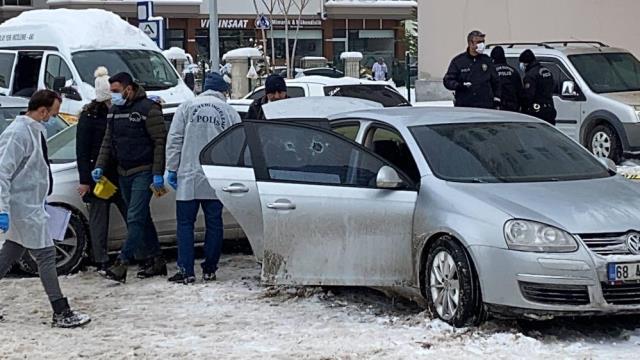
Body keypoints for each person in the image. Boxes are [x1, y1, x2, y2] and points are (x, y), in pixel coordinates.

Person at [0, 90, 90, 328]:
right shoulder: (18, 133)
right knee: (46, 256)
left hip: (29, 205)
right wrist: (2, 209)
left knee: (9, 255)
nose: (53, 118)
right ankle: (61, 310)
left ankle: (61, 310)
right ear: (42, 111)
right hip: (22, 207)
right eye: (53, 114)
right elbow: (2, 171)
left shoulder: (32, 130)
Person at [165, 73, 241, 284]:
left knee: (185, 225)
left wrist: (171, 168)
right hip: (216, 176)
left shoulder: (186, 107)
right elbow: (236, 144)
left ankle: (186, 270)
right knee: (214, 224)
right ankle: (210, 269)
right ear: (222, 90)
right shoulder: (229, 112)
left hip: (188, 175)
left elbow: (175, 140)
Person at [94, 72, 168, 283]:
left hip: (143, 171)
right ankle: (156, 260)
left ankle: (122, 263)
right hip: (123, 172)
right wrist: (100, 166)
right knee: (142, 218)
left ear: (128, 88)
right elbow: (107, 142)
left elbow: (159, 143)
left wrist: (157, 173)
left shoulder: (148, 109)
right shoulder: (115, 111)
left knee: (134, 217)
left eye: (116, 91)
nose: (114, 96)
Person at [76, 67, 127, 273]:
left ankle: (136, 253)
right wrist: (85, 179)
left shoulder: (117, 111)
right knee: (99, 220)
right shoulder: (90, 116)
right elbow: (82, 149)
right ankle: (101, 258)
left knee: (131, 216)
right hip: (102, 176)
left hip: (119, 173)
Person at [443, 30, 501, 109]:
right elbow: (448, 80)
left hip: (485, 106)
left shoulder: (487, 60)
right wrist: (460, 86)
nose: (482, 45)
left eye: (483, 42)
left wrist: (497, 99)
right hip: (465, 106)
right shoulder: (459, 61)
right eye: (479, 42)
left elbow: (496, 81)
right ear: (471, 43)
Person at [519, 49, 557, 125]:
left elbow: (528, 95)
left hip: (537, 111)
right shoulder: (546, 71)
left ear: (526, 63)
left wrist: (523, 108)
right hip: (549, 108)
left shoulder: (530, 75)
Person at [490, 46, 522, 112]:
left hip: (496, 107)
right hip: (512, 108)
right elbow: (520, 91)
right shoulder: (513, 71)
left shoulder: (491, 71)